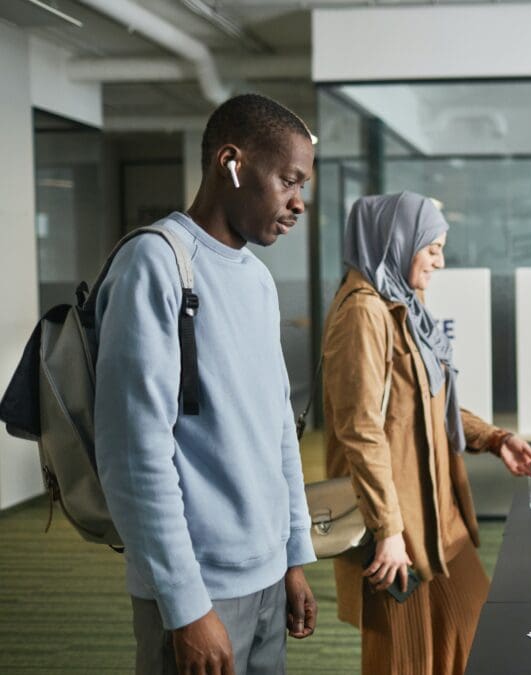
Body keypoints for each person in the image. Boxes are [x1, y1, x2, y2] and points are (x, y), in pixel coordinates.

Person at [94, 93, 318, 674]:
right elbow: (134, 455)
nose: (300, 203)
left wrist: (293, 557)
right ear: (231, 162)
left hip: (267, 578)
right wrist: (186, 606)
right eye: (289, 180)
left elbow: (277, 431)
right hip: (200, 589)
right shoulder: (156, 263)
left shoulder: (259, 280)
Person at [322, 192, 531, 675]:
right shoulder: (363, 312)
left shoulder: (403, 303)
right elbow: (360, 431)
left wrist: (494, 437)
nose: (440, 261)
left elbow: (431, 400)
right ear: (397, 241)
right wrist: (388, 530)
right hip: (400, 525)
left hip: (440, 517)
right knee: (406, 659)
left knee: (470, 634)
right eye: (432, 247)